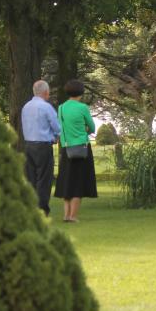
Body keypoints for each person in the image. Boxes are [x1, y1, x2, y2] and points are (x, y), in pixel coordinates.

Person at [54, 79, 97, 222]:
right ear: (81, 92)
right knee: (79, 181)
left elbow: (60, 127)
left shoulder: (61, 108)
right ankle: (73, 216)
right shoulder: (82, 107)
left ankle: (66, 215)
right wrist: (84, 129)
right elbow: (92, 127)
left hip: (67, 148)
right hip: (82, 148)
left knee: (67, 181)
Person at [21, 80, 61, 216]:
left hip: (29, 145)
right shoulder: (46, 107)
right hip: (43, 146)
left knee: (31, 178)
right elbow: (56, 126)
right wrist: (56, 136)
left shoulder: (26, 107)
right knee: (44, 179)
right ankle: (42, 210)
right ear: (46, 92)